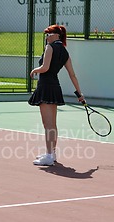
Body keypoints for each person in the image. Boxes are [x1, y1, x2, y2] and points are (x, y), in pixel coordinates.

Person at [28, 24, 85, 166]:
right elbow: (72, 75)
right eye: (47, 34)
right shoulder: (64, 52)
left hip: (46, 87)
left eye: (49, 34)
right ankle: (51, 154)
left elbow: (45, 67)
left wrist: (34, 70)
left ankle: (48, 156)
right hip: (55, 87)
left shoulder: (50, 47)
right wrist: (80, 93)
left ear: (57, 35)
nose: (47, 37)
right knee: (52, 124)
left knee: (48, 125)